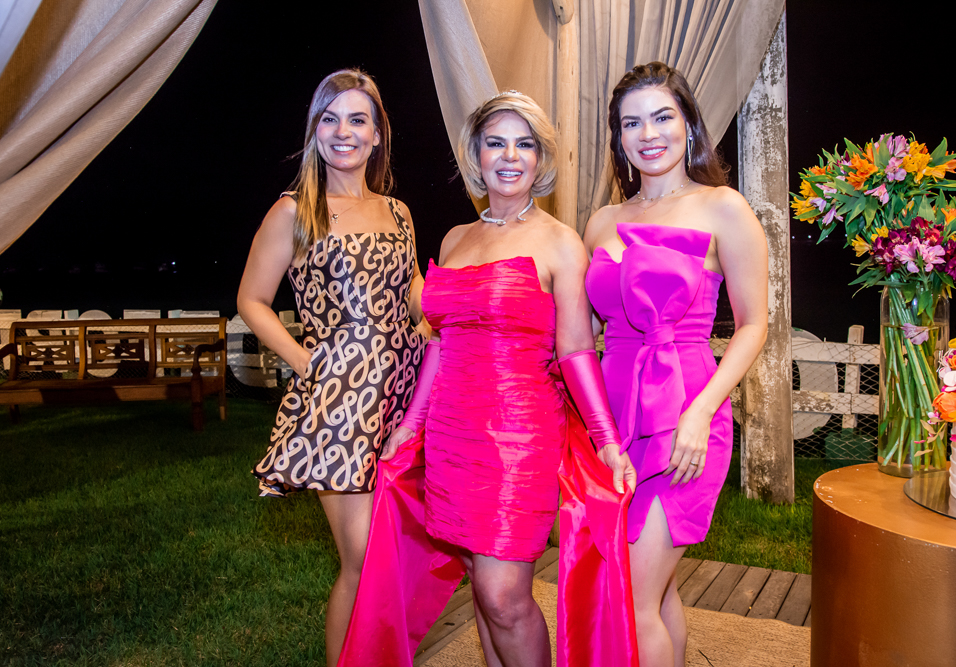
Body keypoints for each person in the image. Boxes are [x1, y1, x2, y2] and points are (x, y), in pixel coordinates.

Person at [378, 91, 635, 667]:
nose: (510, 156)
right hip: (451, 432)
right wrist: (411, 425)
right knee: (479, 578)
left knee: (504, 595)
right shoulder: (454, 239)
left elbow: (575, 349)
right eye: (496, 143)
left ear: (541, 159)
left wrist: (607, 439)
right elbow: (440, 342)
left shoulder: (560, 242)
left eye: (525, 144)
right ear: (477, 154)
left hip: (518, 436)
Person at [236, 68, 426, 666]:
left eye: (357, 119)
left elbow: (412, 292)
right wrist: (304, 361)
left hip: (406, 392)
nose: (343, 131)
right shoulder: (295, 210)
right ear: (315, 130)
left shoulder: (398, 212)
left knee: (399, 555)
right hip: (339, 403)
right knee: (364, 559)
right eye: (330, 118)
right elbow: (251, 300)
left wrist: (448, 312)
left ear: (377, 134)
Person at [583, 62, 768, 667]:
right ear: (618, 138)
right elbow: (584, 329)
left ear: (688, 123)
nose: (648, 133)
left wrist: (701, 412)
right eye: (631, 123)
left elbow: (754, 325)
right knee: (656, 592)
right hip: (614, 420)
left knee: (631, 595)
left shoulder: (723, 207)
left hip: (686, 413)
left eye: (662, 116)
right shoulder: (602, 221)